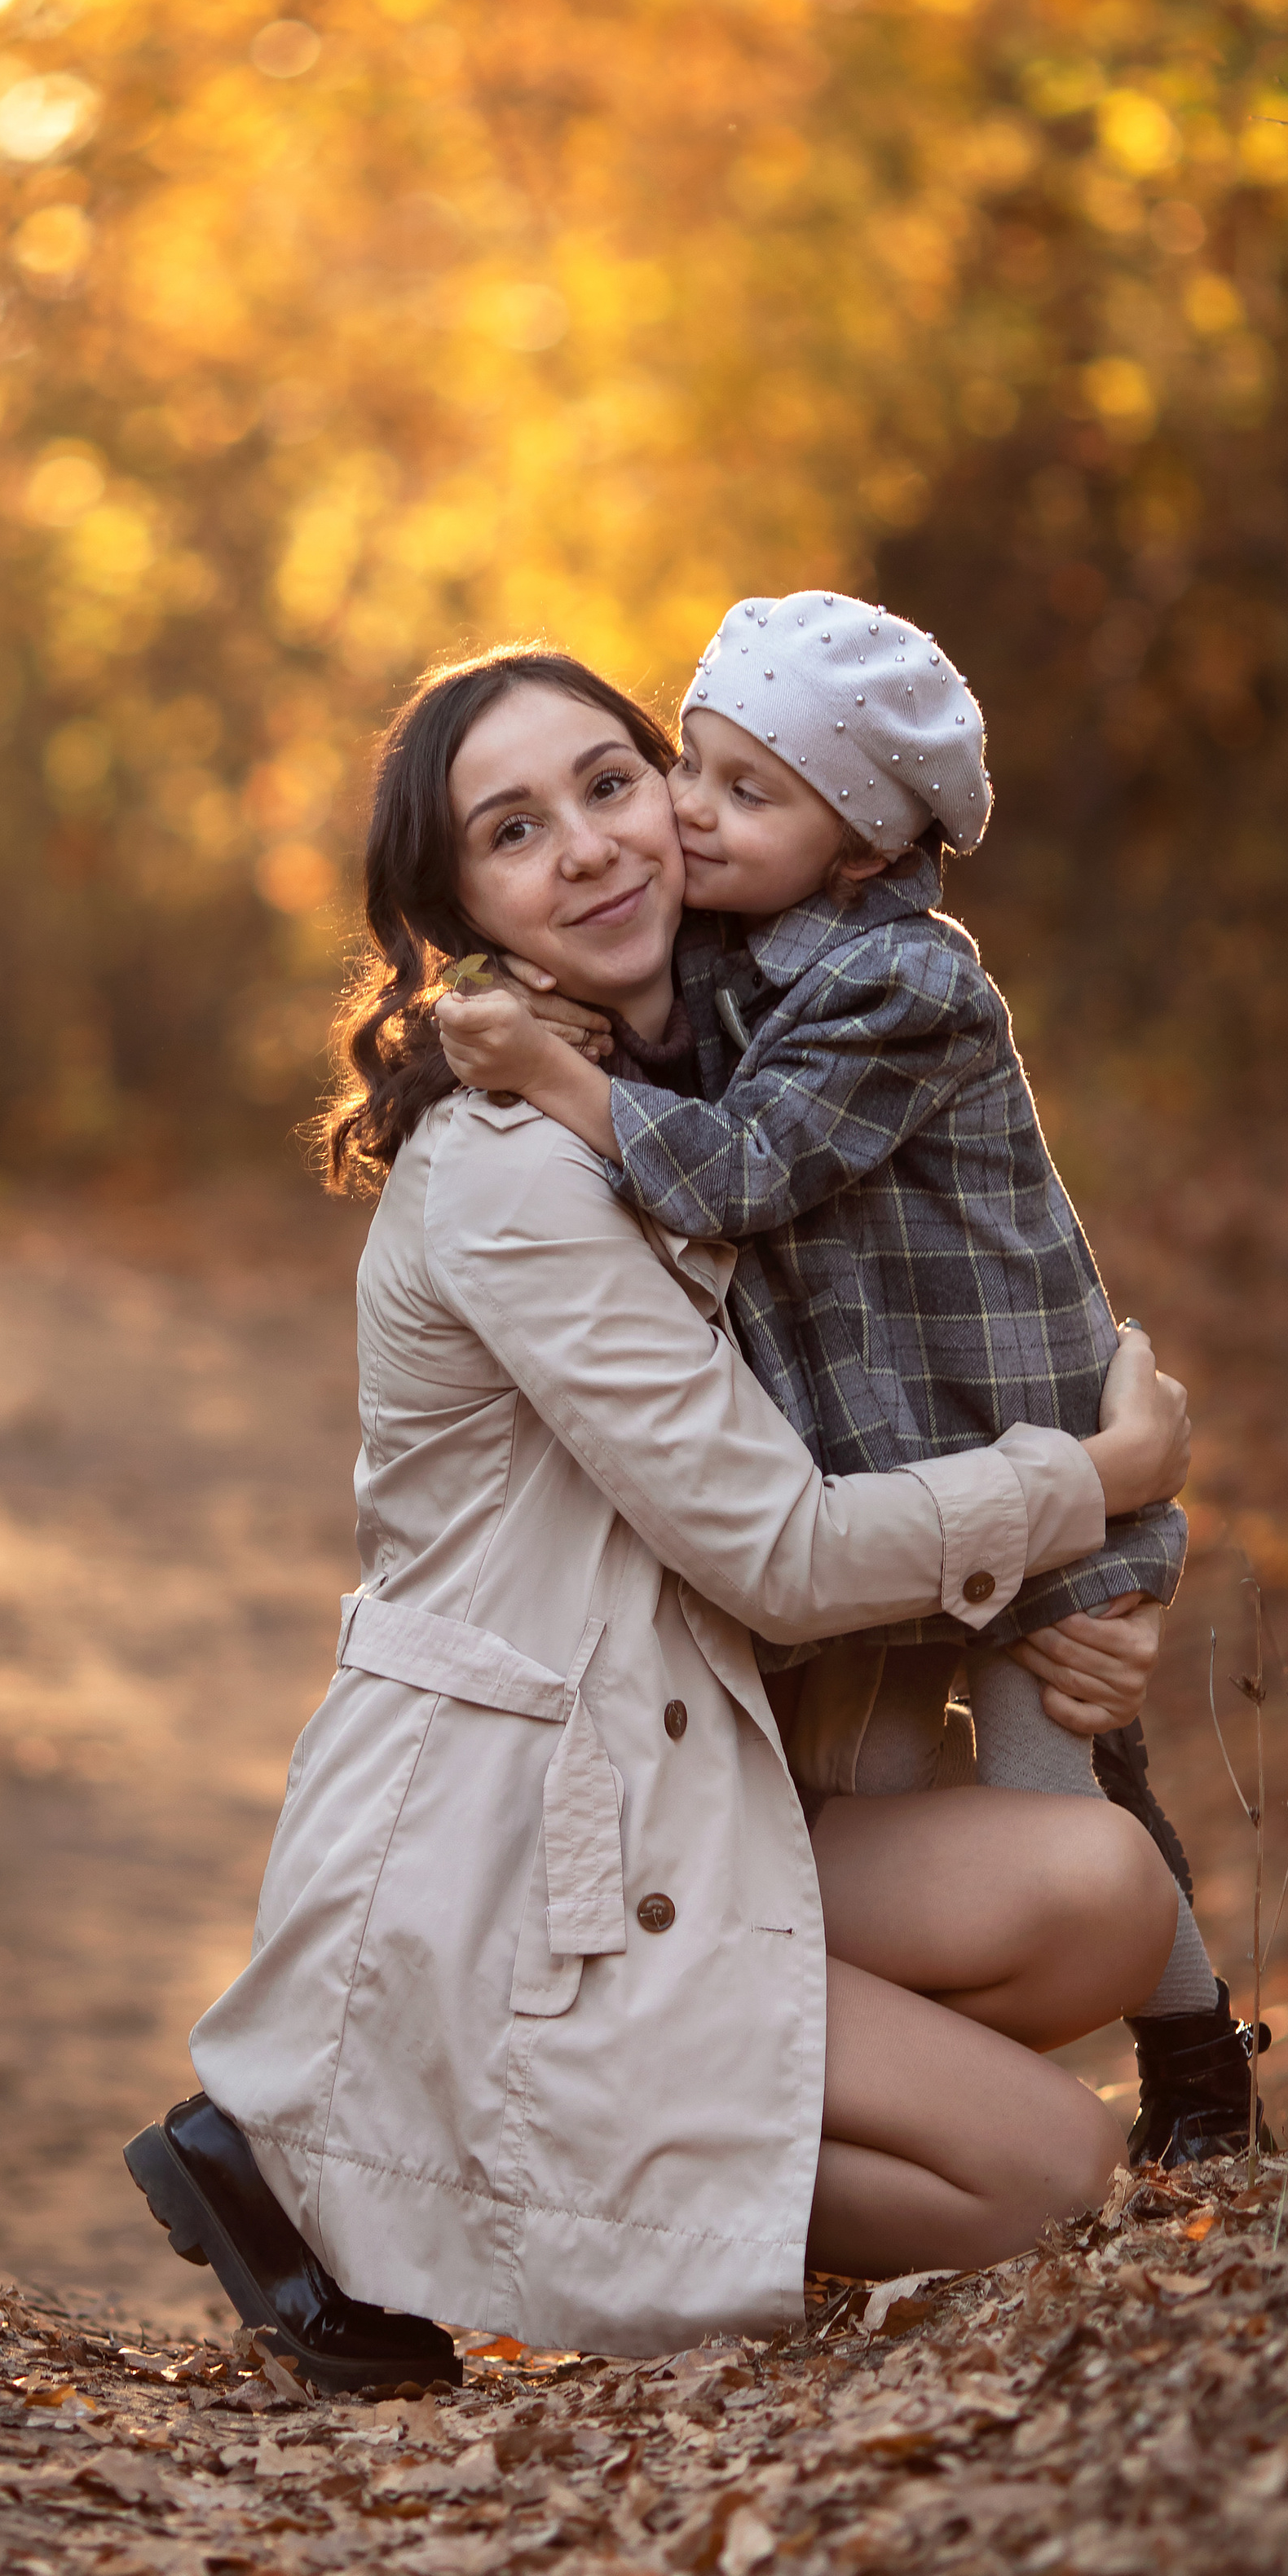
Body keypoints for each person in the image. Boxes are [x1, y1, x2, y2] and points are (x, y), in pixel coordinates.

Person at [126, 650, 1189, 2391]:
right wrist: (1090, 1480)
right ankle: (364, 2153)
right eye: (513, 831)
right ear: (460, 905)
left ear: (689, 803)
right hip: (527, 1846)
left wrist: (1073, 1593)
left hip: (684, 1795)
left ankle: (585, 2143)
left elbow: (922, 1366)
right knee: (1052, 2171)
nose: (592, 850)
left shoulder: (728, 1087)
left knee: (1099, 1894)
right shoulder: (521, 1174)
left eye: (613, 786)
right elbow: (774, 1545)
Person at [433, 594, 1264, 2165]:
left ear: (863, 849)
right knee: (864, 1792)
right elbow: (655, 1045)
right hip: (894, 1495)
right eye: (688, 764)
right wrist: (533, 1020)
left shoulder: (903, 986)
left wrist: (555, 1071)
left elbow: (739, 1165)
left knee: (1053, 1785)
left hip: (1013, 1462)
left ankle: (1199, 2072)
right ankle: (849, 2112)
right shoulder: (731, 949)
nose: (681, 815)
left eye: (743, 793)